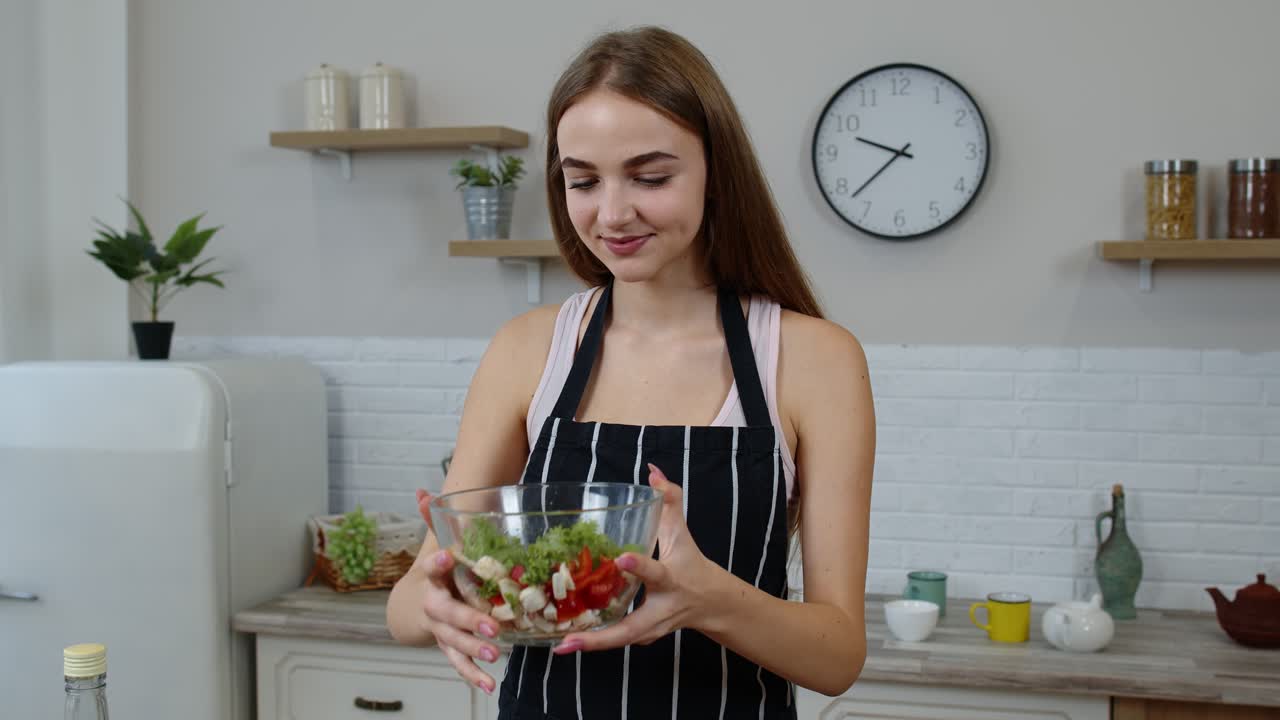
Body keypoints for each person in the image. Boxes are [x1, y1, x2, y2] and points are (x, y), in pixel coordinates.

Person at [387, 24, 874, 719]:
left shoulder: (812, 359)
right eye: (583, 180)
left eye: (651, 176)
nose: (612, 213)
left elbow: (837, 657)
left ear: (717, 170)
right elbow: (407, 603)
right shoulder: (529, 350)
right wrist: (437, 602)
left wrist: (709, 599)